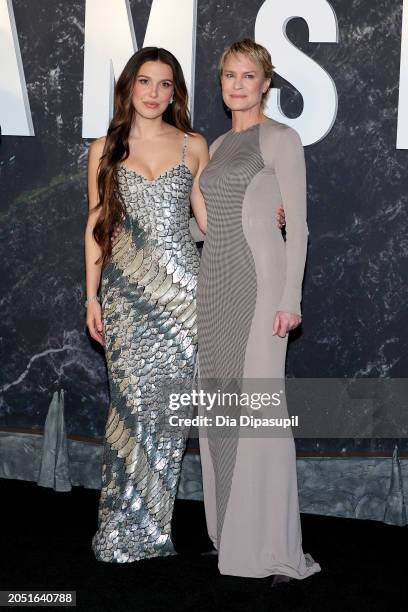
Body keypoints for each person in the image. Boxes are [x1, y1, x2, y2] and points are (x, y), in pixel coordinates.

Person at [196, 39, 321, 583]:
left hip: (261, 289)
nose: (238, 84)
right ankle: (230, 534)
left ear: (266, 83)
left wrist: (291, 300)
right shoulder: (219, 144)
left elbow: (299, 224)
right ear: (221, 82)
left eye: (249, 75)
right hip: (215, 286)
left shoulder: (282, 139)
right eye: (230, 75)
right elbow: (207, 228)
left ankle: (271, 545)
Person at [84, 46, 208, 562]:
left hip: (182, 301)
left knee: (166, 417)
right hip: (125, 299)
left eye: (164, 84)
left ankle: (154, 532)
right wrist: (90, 296)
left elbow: (209, 220)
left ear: (175, 91)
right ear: (129, 87)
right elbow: (96, 228)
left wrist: (266, 219)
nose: (154, 93)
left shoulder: (194, 145)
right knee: (130, 409)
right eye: (145, 82)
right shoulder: (105, 148)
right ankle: (119, 530)